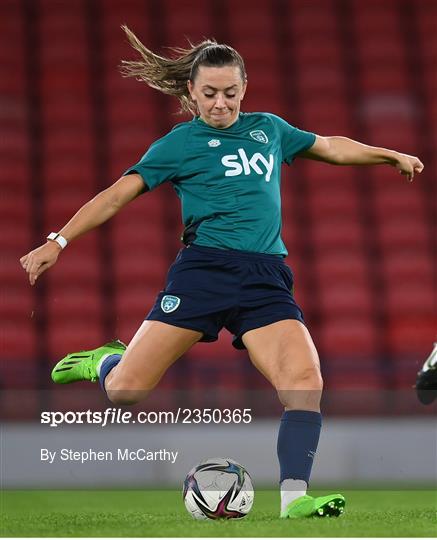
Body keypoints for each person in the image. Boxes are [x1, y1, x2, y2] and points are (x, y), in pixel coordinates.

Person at [20, 26, 424, 519]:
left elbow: (331, 145)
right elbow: (115, 196)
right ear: (191, 92)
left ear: (244, 89)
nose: (220, 103)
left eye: (230, 93)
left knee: (304, 380)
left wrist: (389, 154)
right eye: (209, 93)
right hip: (204, 272)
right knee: (127, 391)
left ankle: (294, 500)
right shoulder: (179, 144)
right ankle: (105, 361)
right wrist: (57, 241)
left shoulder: (269, 129)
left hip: (265, 276)